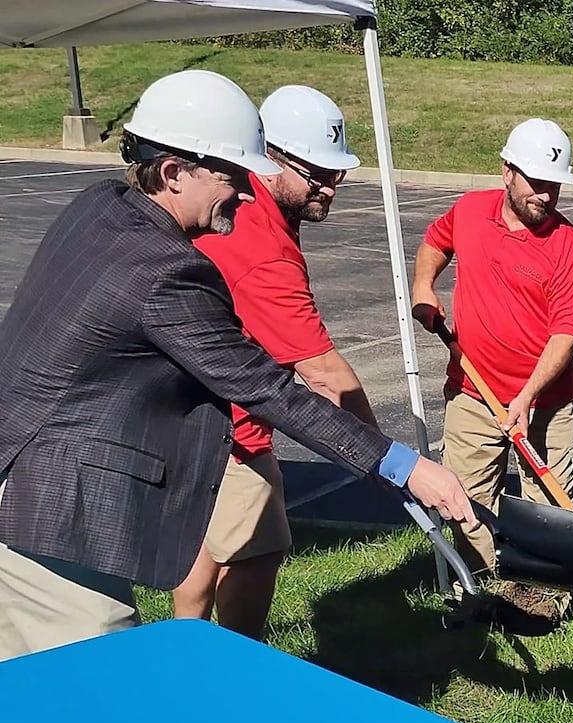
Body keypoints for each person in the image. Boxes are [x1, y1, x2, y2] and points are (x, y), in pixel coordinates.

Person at [0, 69, 474, 663]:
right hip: (43, 510)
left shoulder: (99, 205)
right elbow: (267, 387)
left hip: (24, 482)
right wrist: (401, 464)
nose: (246, 193)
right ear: (173, 173)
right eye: (231, 175)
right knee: (96, 701)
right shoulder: (166, 272)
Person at [173, 85, 376, 640]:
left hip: (187, 414)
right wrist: (385, 458)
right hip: (231, 428)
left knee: (204, 550)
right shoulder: (264, 252)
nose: (331, 187)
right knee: (261, 547)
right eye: (317, 175)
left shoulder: (245, 210)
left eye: (338, 174)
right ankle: (240, 669)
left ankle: (183, 653)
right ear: (272, 160)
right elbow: (323, 374)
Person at [411, 118, 573, 588]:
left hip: (547, 405)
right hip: (473, 393)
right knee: (466, 501)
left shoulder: (571, 249)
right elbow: (436, 242)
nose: (547, 196)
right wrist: (423, 287)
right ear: (506, 171)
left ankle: (542, 599)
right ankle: (476, 592)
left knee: (548, 512)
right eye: (537, 183)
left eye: (554, 185)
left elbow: (565, 336)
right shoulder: (471, 211)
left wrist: (526, 397)